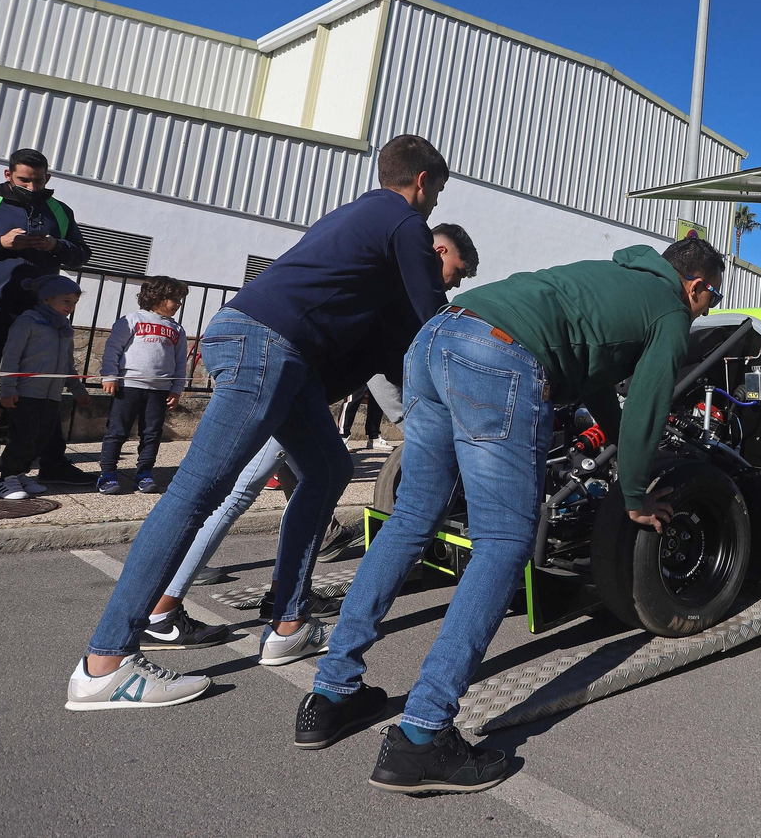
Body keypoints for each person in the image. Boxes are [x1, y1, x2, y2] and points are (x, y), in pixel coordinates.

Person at [300, 238, 725, 795]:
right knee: (502, 542)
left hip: (435, 340)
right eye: (711, 297)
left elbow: (598, 382)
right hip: (498, 359)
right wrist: (636, 493)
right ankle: (422, 736)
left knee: (410, 520)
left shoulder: (609, 277)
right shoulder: (670, 311)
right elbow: (648, 403)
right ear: (694, 285)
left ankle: (331, 694)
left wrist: (618, 447)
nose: (709, 308)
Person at [65, 134, 449, 710]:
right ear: (422, 181)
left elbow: (387, 333)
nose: (435, 204)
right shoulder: (403, 221)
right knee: (197, 490)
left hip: (268, 348)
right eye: (437, 192)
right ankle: (105, 662)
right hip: (267, 347)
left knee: (327, 468)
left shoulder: (355, 218)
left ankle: (288, 626)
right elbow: (433, 325)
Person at [136, 223, 481, 650]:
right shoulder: (399, 284)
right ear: (440, 250)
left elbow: (386, 367)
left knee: (294, 486)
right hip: (294, 387)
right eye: (458, 271)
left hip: (303, 392)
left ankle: (281, 599)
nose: (455, 282)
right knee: (236, 493)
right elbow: (391, 372)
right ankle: (163, 609)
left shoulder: (393, 282)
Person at [0, 148, 93, 488]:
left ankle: (52, 462)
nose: (32, 188)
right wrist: (0, 244)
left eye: (39, 181)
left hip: (41, 312)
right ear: (8, 175)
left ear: (49, 178)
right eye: (24, 180)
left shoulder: (59, 210)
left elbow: (81, 253)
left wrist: (54, 246)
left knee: (46, 386)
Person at [0, 275, 91, 500]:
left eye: (74, 303)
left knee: (40, 438)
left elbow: (68, 363)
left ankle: (19, 474)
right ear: (47, 299)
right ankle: (4, 479)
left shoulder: (64, 328)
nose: (71, 307)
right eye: (66, 301)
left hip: (52, 395)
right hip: (27, 393)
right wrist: (8, 389)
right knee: (23, 437)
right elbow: (11, 357)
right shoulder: (29, 321)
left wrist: (78, 390)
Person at [97, 276, 189, 495]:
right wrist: (109, 375)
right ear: (156, 297)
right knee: (117, 431)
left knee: (152, 433)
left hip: (159, 390)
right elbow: (113, 349)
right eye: (174, 299)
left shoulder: (177, 329)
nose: (178, 304)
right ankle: (107, 474)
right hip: (128, 386)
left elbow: (179, 362)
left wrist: (176, 390)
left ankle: (145, 473)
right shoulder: (131, 320)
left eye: (180, 300)